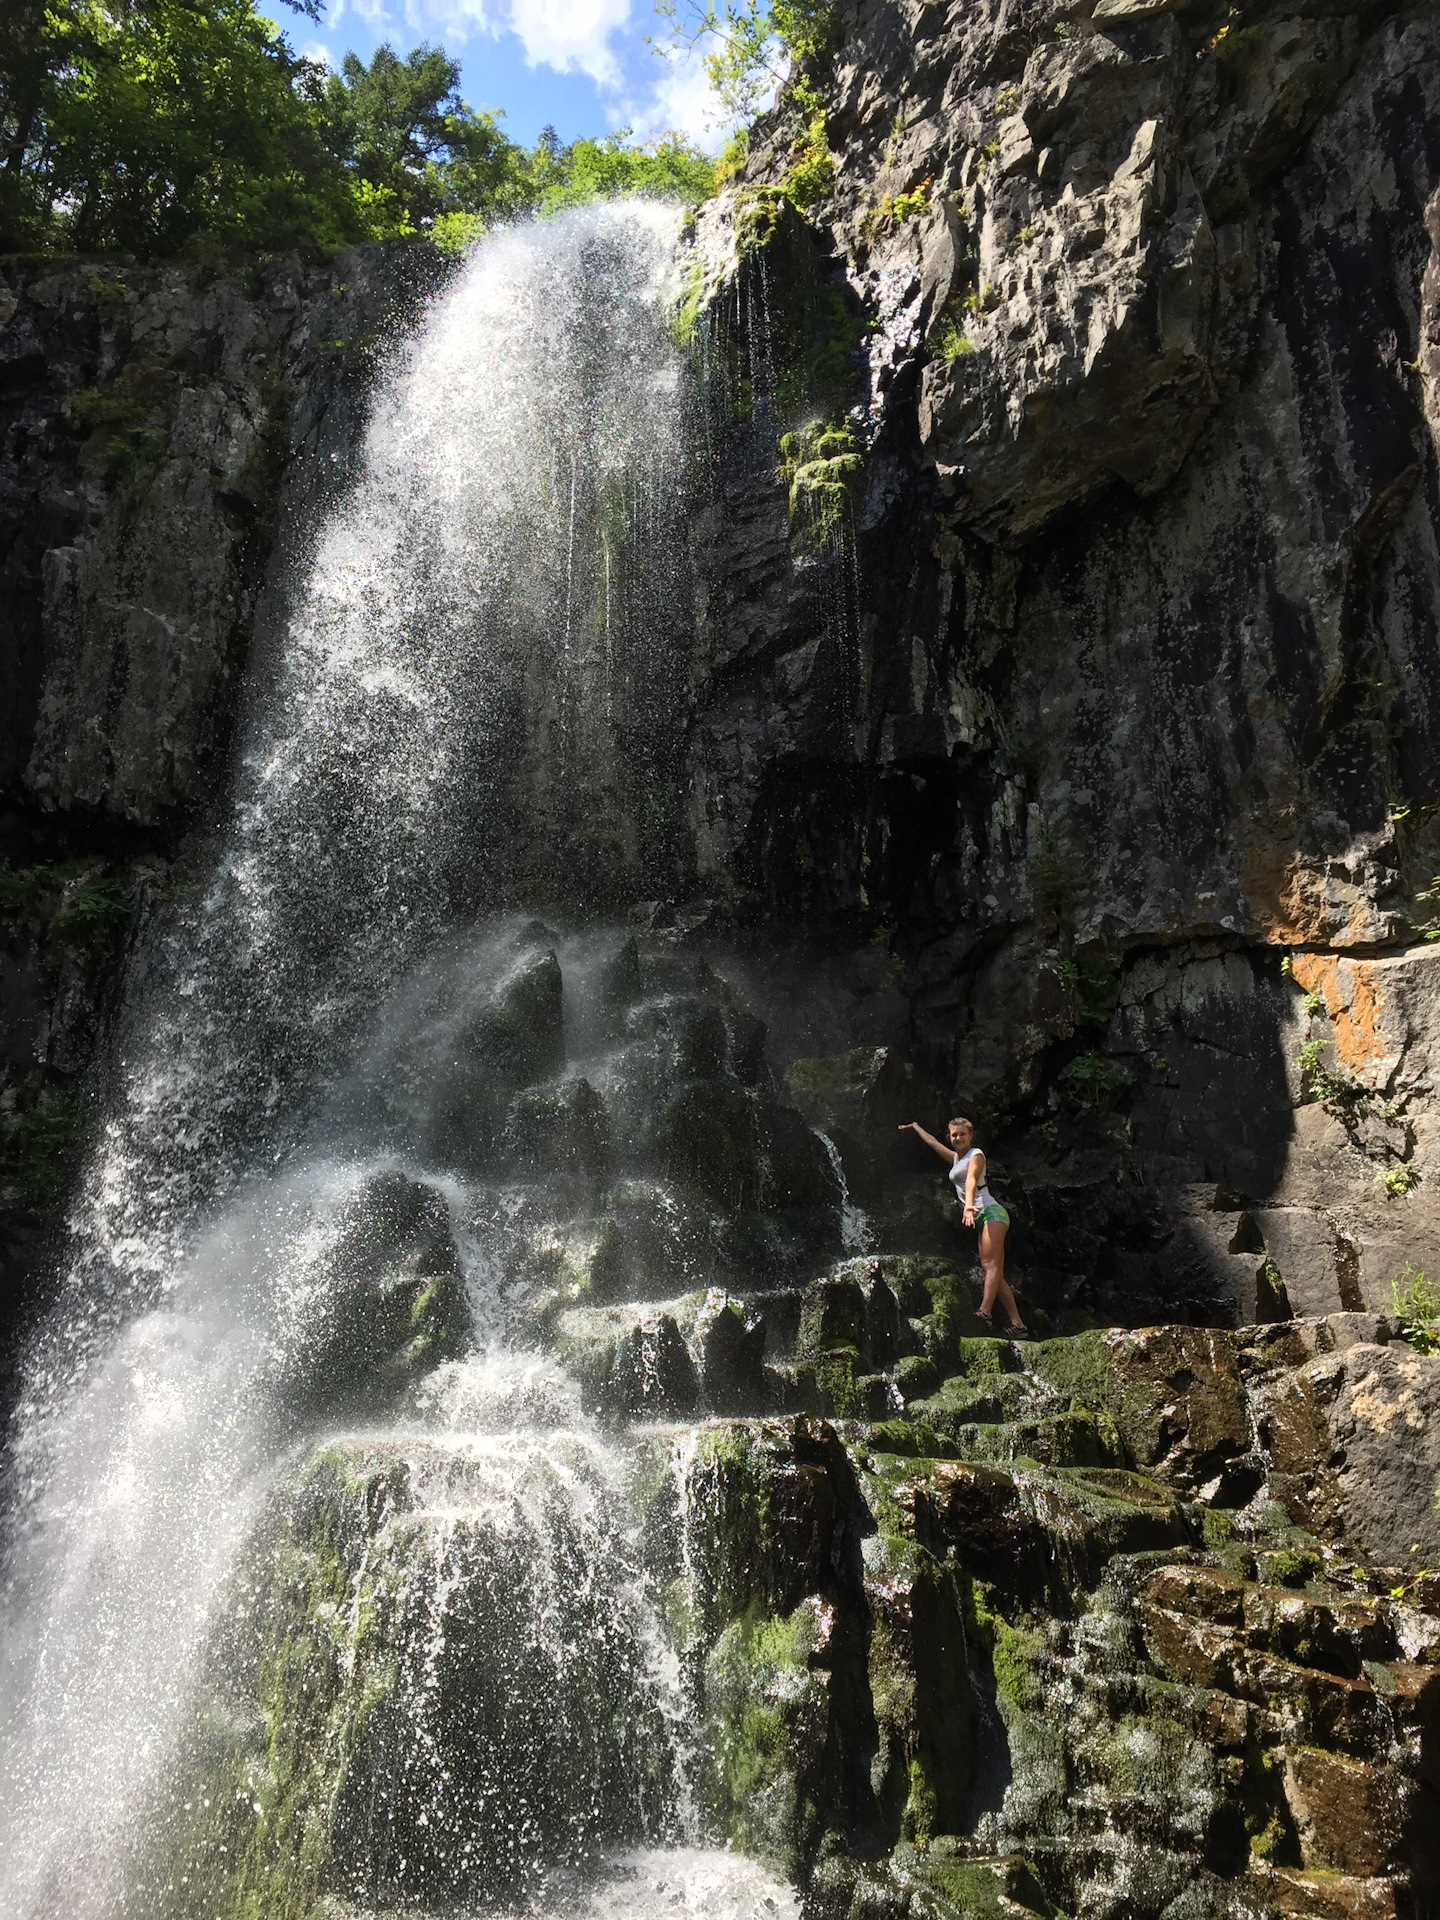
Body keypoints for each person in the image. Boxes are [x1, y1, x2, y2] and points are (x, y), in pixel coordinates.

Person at [898, 1116, 1029, 1338]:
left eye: (962, 1134)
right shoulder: (956, 1159)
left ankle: (985, 1312)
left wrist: (968, 1206)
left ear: (971, 1136)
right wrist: (916, 1127)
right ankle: (1018, 1324)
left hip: (990, 1212)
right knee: (993, 1270)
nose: (957, 1138)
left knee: (990, 1265)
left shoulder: (975, 1155)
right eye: (953, 1135)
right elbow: (933, 1144)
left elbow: (971, 1180)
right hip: (982, 1217)